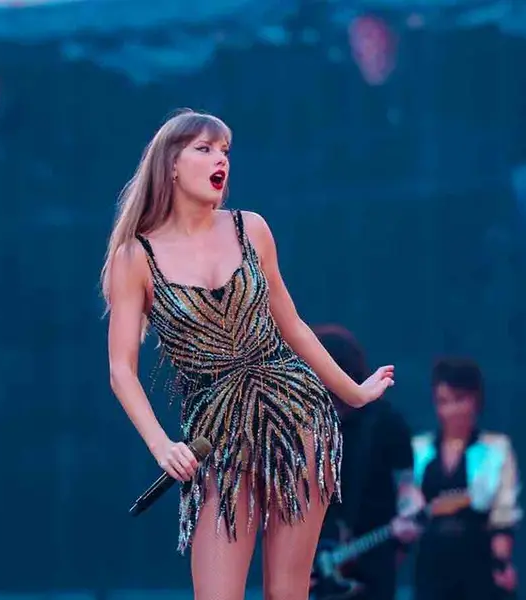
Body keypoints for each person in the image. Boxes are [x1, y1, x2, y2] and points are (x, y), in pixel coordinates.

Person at [102, 109, 395, 600]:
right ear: (171, 165)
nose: (221, 160)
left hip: (297, 418)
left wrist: (354, 393)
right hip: (216, 437)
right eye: (205, 149)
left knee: (287, 591)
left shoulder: (250, 228)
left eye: (225, 151)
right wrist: (161, 445)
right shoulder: (135, 258)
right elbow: (120, 369)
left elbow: (293, 326)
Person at [311, 325, 418, 600]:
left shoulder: (386, 423)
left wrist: (410, 511)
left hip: (372, 555)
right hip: (319, 559)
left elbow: (407, 486)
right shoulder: (311, 425)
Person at [409, 358, 521, 600]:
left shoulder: (496, 449)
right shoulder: (420, 449)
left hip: (478, 562)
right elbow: (408, 510)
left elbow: (503, 515)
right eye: (443, 401)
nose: (451, 410)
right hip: (431, 564)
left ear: (475, 400)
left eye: (459, 400)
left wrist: (501, 563)